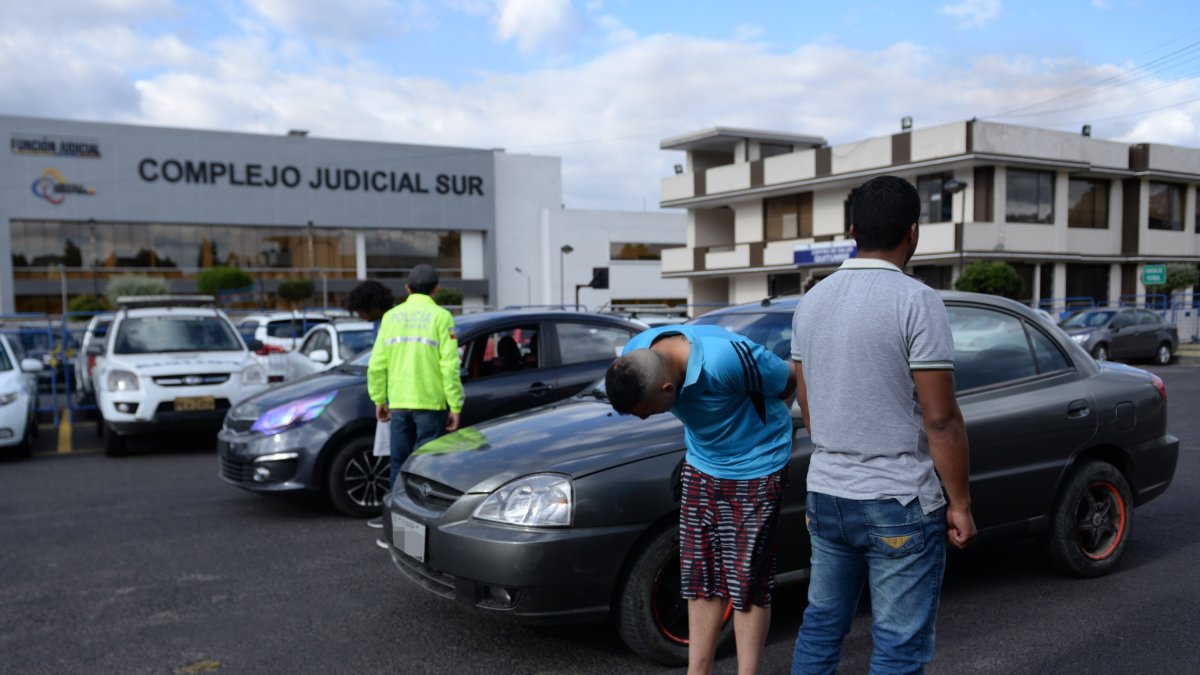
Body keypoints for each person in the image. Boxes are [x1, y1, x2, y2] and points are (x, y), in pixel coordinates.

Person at [789, 175, 976, 674]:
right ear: (913, 232)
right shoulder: (916, 300)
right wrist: (960, 504)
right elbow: (941, 419)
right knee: (897, 645)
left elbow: (808, 402)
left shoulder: (812, 301)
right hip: (898, 497)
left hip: (826, 492)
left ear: (853, 231)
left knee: (821, 626)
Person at [605, 324, 796, 675]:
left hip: (756, 469)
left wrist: (757, 436)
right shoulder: (637, 353)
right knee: (700, 578)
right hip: (701, 467)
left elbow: (789, 379)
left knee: (747, 583)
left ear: (667, 388)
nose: (645, 417)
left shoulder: (725, 359)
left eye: (648, 410)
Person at [366, 264, 463, 523]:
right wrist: (455, 405)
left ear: (407, 288)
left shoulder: (390, 317)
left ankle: (395, 525)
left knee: (399, 463)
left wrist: (379, 399)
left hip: (398, 403)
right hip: (430, 404)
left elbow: (376, 364)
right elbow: (450, 365)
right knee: (426, 467)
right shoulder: (442, 317)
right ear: (436, 289)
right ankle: (420, 526)